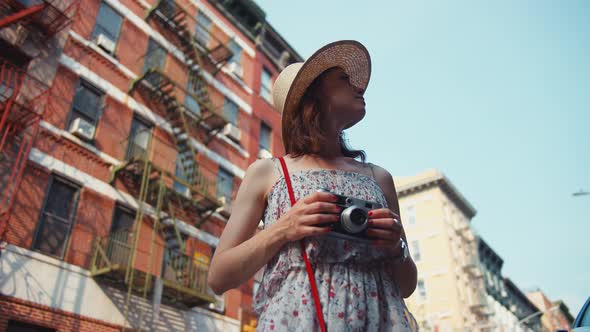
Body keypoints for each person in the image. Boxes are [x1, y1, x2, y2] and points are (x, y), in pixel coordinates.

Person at [208, 40, 418, 331]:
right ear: (313, 96)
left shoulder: (379, 178)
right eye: (344, 79)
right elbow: (219, 277)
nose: (359, 87)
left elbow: (406, 286)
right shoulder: (269, 172)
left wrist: (398, 247)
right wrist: (284, 228)